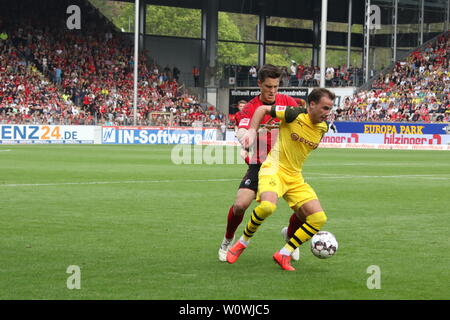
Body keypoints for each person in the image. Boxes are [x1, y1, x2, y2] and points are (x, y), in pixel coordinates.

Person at [226, 88, 336, 271]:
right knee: (268, 206)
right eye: (324, 108)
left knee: (318, 218)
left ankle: (284, 253)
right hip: (273, 169)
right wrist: (252, 132)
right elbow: (261, 110)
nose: (327, 113)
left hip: (294, 177)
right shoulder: (294, 114)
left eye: (330, 109)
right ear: (312, 105)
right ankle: (242, 243)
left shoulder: (323, 128)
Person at [218, 64, 301, 262]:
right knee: (240, 205)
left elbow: (301, 119)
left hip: (285, 164)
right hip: (260, 164)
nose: (272, 91)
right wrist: (250, 138)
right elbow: (244, 133)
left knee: (304, 210)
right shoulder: (250, 108)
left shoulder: (287, 101)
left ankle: (289, 236)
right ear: (259, 85)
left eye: (276, 86)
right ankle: (227, 240)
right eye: (268, 87)